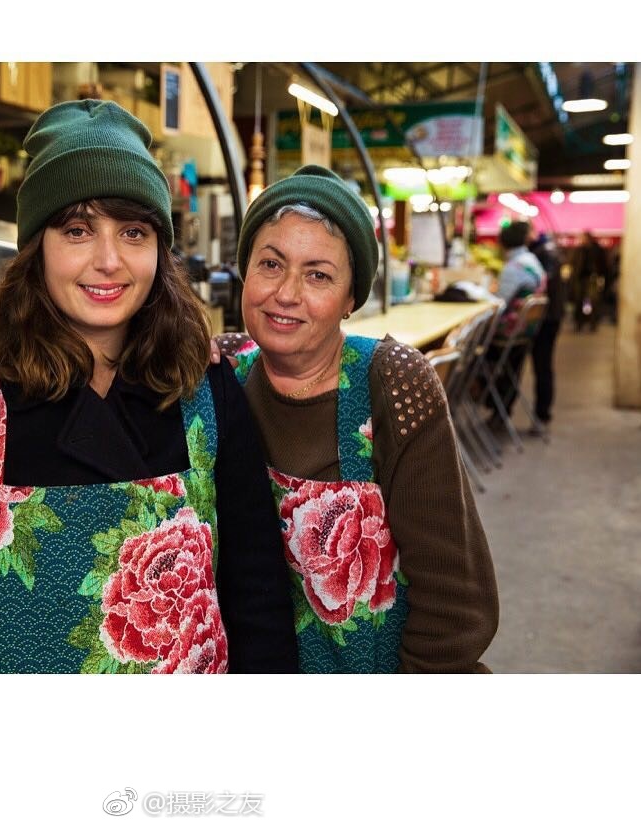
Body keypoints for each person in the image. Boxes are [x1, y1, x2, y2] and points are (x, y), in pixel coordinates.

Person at [0, 99, 298, 674]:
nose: (108, 260)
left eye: (133, 232)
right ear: (37, 248)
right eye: (77, 230)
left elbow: (258, 601)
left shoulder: (206, 390)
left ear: (160, 250)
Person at [213, 165, 498, 673]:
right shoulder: (222, 375)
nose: (287, 293)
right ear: (244, 273)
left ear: (351, 299)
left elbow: (455, 603)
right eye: (271, 264)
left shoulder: (389, 383)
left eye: (318, 275)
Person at [486, 220, 547, 420]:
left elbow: (499, 303)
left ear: (503, 244)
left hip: (508, 332)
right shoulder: (531, 260)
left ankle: (485, 398)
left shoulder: (513, 267)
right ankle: (499, 406)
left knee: (472, 349)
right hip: (524, 331)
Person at [528, 229, 564, 427]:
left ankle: (542, 413)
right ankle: (542, 413)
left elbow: (544, 283)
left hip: (545, 319)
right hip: (552, 316)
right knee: (544, 366)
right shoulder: (549, 250)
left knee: (542, 366)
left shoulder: (543, 253)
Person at [573, 231, 607, 331]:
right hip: (581, 279)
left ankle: (592, 322)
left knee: (591, 301)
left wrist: (601, 276)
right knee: (580, 301)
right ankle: (580, 322)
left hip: (592, 279)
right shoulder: (580, 250)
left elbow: (603, 265)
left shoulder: (597, 249)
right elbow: (575, 264)